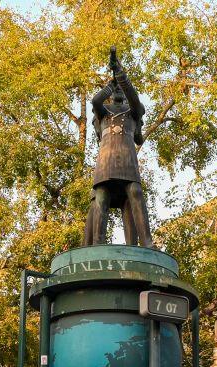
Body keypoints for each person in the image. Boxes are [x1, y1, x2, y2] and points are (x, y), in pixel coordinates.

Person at [83, 47, 154, 248]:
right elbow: (95, 100)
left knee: (136, 193)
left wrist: (121, 77)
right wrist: (110, 85)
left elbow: (135, 101)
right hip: (106, 164)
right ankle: (97, 244)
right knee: (102, 198)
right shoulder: (103, 113)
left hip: (128, 161)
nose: (118, 92)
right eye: (116, 90)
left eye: (121, 90)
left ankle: (147, 244)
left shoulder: (134, 112)